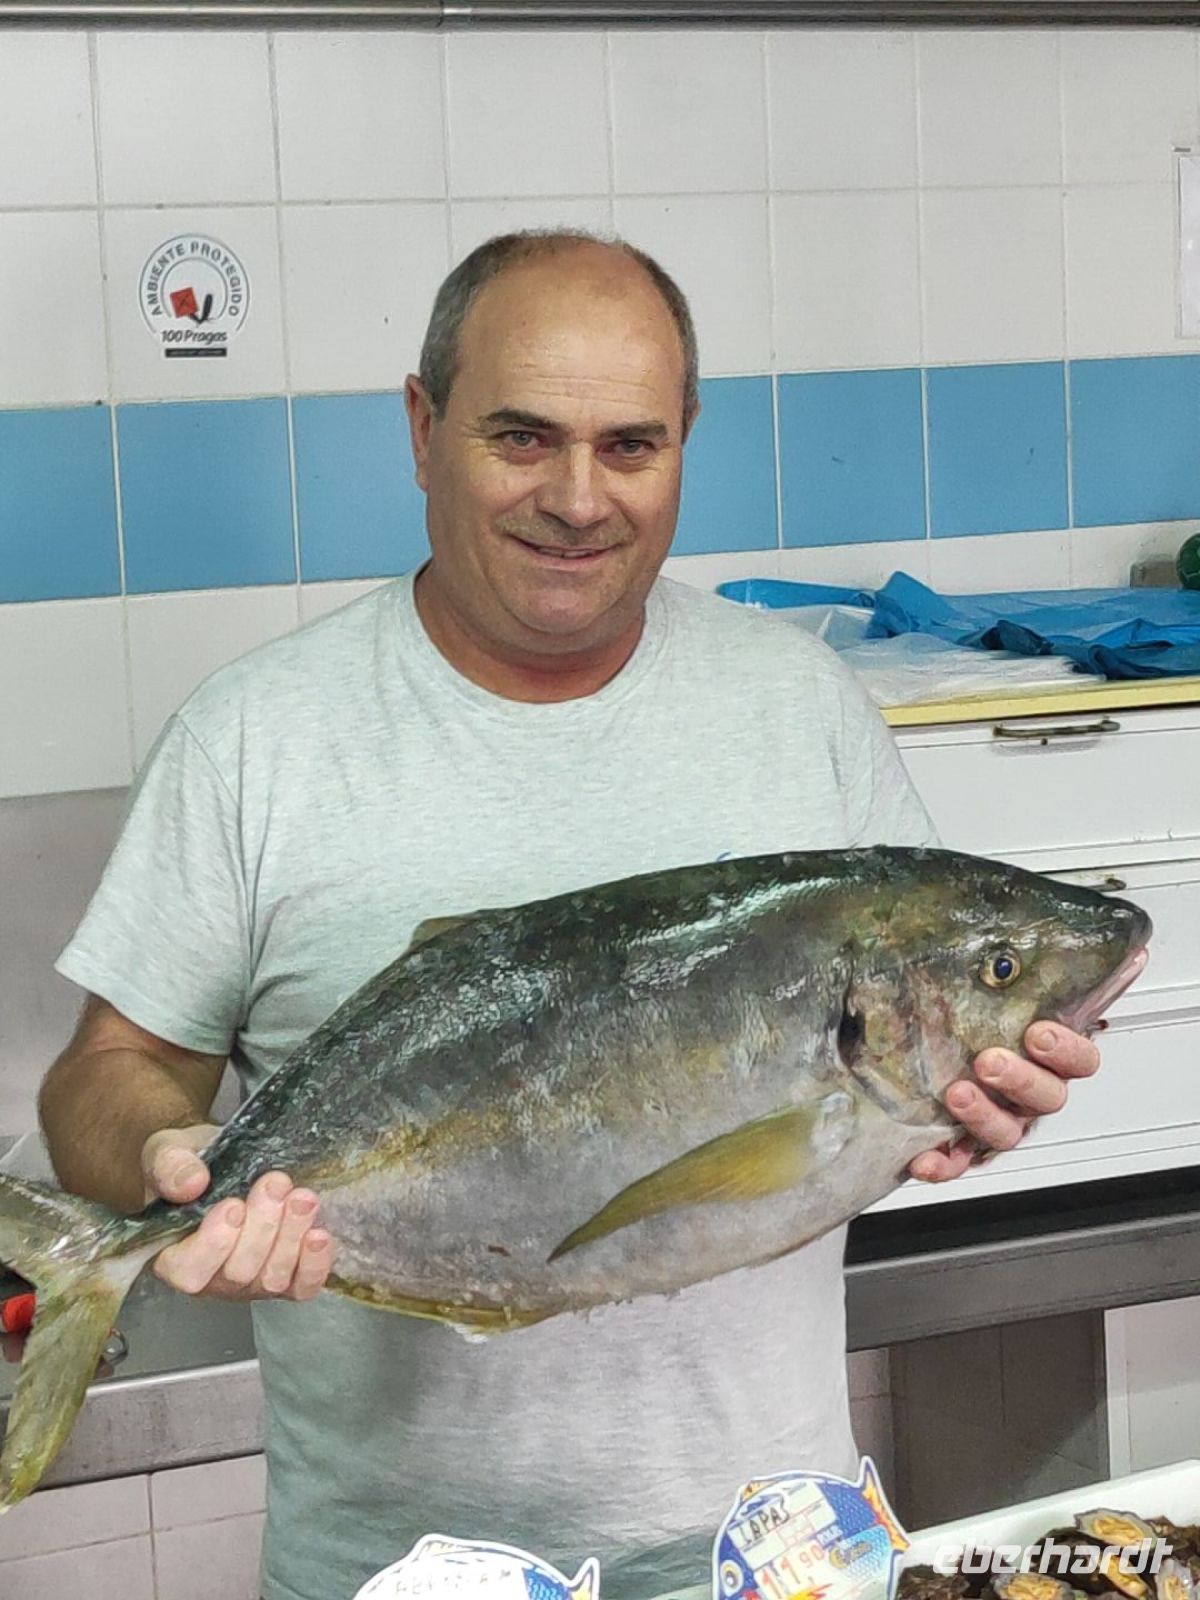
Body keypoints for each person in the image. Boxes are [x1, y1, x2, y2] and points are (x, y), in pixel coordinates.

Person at [38, 232, 1100, 1600]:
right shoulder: (259, 738)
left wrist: (971, 1106)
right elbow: (103, 1082)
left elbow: (860, 1075)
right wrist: (178, 1164)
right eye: (523, 437)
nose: (579, 499)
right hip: (406, 1572)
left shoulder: (803, 709)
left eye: (631, 446)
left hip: (776, 1555)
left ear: (685, 442)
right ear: (422, 429)